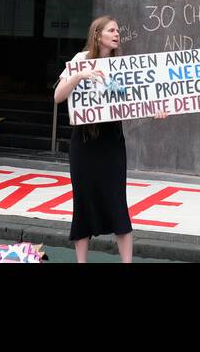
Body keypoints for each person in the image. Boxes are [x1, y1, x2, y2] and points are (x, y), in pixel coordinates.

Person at [53, 16, 165, 263]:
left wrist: (153, 110)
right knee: (83, 201)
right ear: (97, 34)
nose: (117, 34)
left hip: (112, 141)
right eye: (111, 30)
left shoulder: (121, 65)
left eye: (117, 31)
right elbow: (58, 96)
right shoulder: (81, 60)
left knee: (116, 200)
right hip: (84, 141)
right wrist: (79, 76)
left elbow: (132, 101)